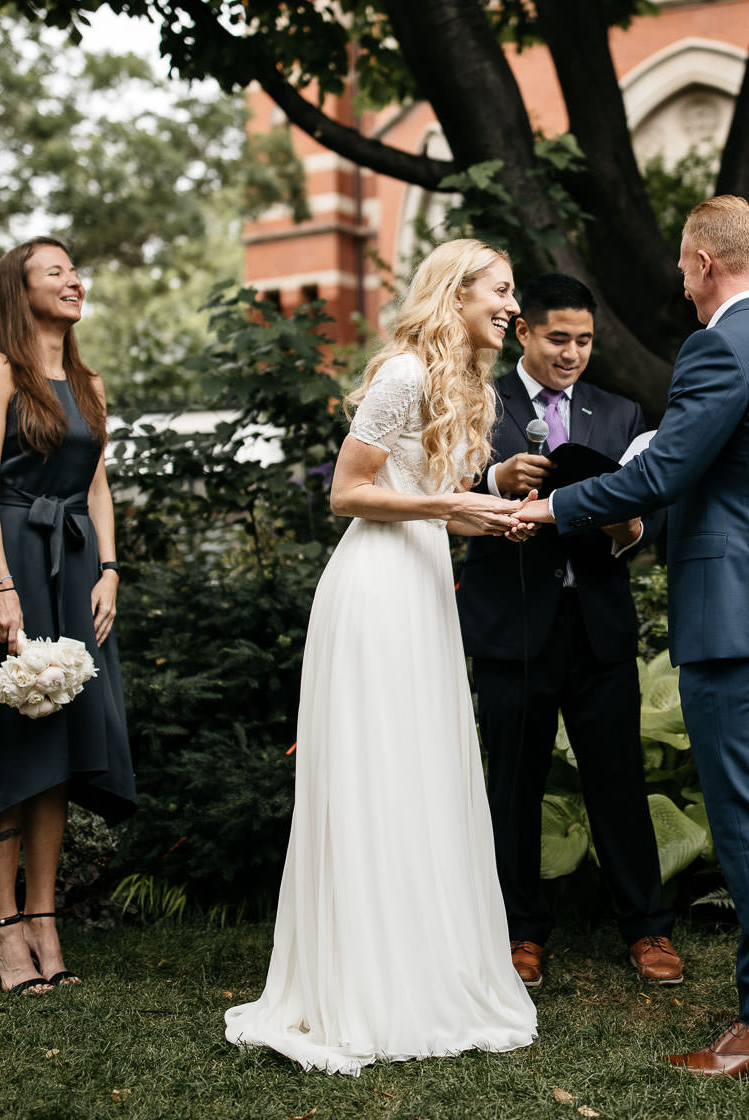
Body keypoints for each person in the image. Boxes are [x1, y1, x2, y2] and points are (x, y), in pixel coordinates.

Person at [517, 196, 749, 1079]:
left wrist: (548, 509)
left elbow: (663, 472)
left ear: (704, 261)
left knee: (748, 814)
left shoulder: (718, 347)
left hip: (733, 614)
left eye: (682, 263)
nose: (681, 278)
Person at [225, 238, 539, 1075]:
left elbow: (430, 503)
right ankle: (365, 983)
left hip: (423, 586)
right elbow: (348, 492)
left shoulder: (459, 383)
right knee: (381, 771)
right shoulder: (402, 373)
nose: (512, 306)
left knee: (421, 774)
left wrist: (489, 516)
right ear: (457, 293)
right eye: (501, 290)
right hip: (374, 592)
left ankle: (423, 969)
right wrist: (451, 505)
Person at [456, 273, 682, 990]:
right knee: (513, 783)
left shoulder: (621, 412)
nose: (572, 354)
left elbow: (648, 516)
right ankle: (520, 931)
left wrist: (623, 523)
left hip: (598, 625)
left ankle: (647, 929)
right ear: (523, 331)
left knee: (619, 780)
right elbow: (438, 500)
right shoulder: (477, 404)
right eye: (558, 338)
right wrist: (495, 482)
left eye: (584, 341)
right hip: (512, 625)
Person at [0, 235, 137, 996]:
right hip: (13, 562)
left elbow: (97, 487)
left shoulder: (88, 382)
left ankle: (45, 920)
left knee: (57, 747)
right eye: (54, 272)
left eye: (74, 271)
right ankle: (3, 929)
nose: (73, 280)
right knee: (11, 743)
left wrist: (110, 572)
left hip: (77, 569)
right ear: (19, 291)